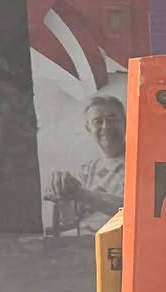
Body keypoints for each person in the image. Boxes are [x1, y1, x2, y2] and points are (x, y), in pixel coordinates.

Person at [47, 92, 127, 234]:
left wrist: (82, 194)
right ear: (88, 129)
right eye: (97, 122)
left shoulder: (142, 163)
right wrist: (60, 191)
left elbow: (133, 211)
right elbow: (69, 220)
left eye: (113, 119)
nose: (106, 127)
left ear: (126, 123)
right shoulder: (87, 170)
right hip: (83, 242)